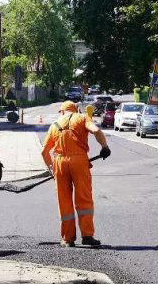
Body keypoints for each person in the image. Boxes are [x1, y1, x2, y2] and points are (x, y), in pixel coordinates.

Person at [41, 101, 111, 247]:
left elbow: (44, 151)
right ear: (75, 109)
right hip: (79, 162)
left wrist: (51, 169)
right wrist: (104, 147)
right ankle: (87, 236)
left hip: (59, 163)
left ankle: (68, 239)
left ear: (61, 112)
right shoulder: (82, 118)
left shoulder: (54, 125)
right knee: (84, 199)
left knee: (64, 200)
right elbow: (96, 131)